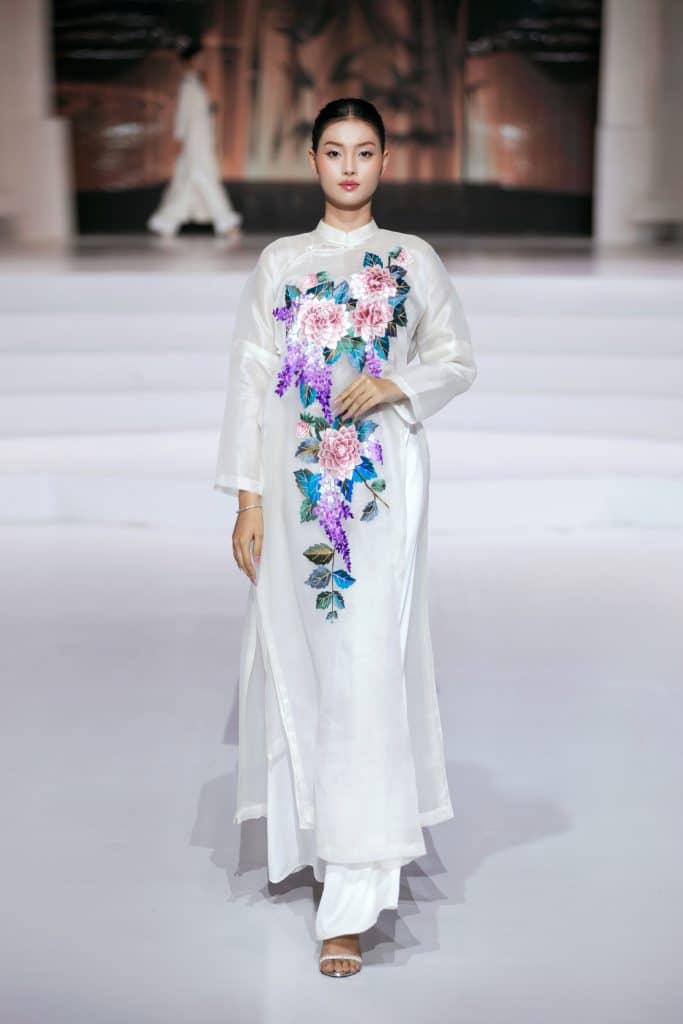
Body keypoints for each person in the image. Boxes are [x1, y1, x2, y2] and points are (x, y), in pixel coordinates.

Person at [214, 97, 477, 977]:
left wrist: (397, 385)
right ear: (313, 161)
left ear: (386, 161)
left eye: (365, 152)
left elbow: (455, 357)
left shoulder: (410, 259)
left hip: (377, 492)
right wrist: (247, 498)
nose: (350, 167)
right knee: (300, 654)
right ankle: (319, 836)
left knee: (365, 664)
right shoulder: (281, 264)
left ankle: (352, 897)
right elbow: (252, 381)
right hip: (295, 490)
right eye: (335, 151)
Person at [147, 41, 242, 238]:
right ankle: (226, 222)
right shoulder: (188, 85)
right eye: (200, 58)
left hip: (201, 140)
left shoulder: (196, 83)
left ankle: (165, 221)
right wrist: (180, 139)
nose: (203, 62)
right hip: (194, 142)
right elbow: (183, 116)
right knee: (204, 179)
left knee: (186, 182)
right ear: (190, 60)